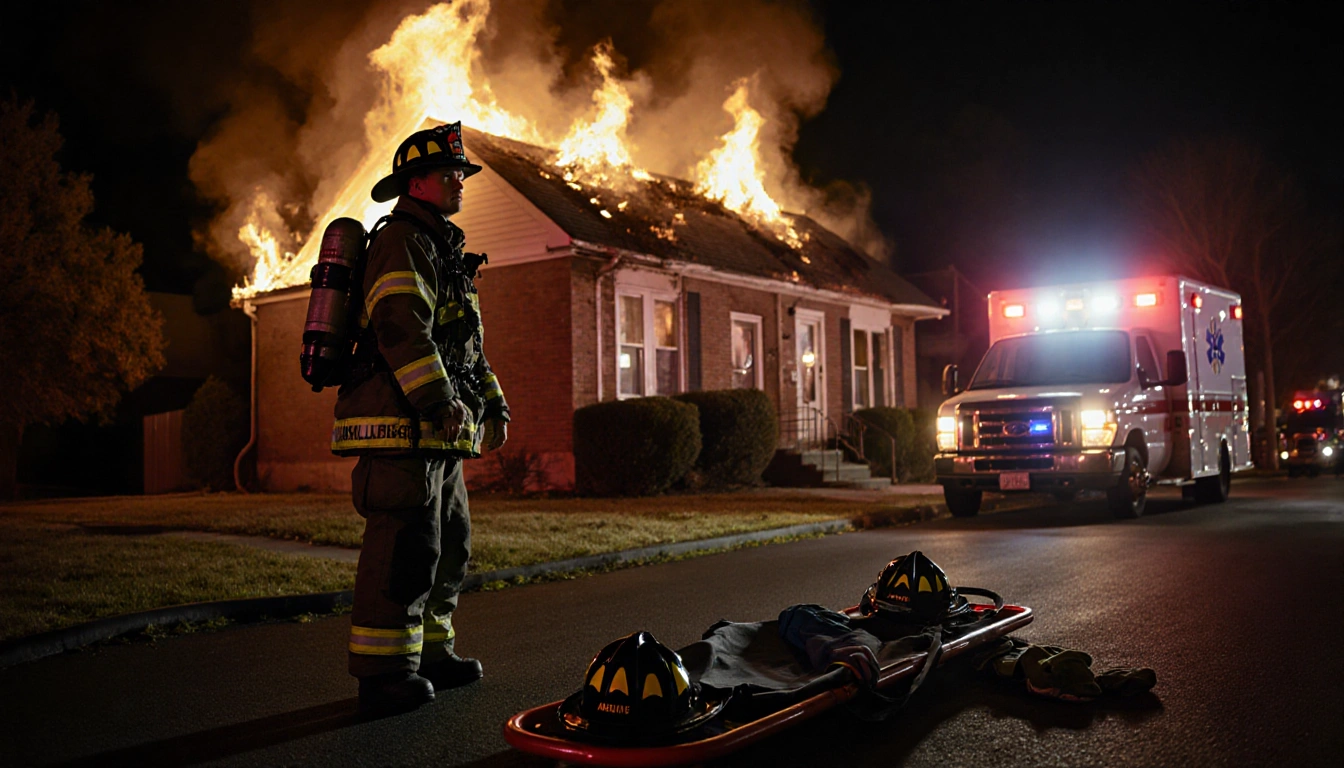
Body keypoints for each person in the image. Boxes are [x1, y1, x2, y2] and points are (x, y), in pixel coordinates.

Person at [330, 121, 509, 716]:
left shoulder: (443, 248)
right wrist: (439, 401)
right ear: (418, 183)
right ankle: (383, 674)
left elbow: (467, 347)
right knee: (404, 545)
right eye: (451, 174)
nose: (461, 182)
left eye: (461, 173)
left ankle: (430, 653)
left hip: (439, 430)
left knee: (448, 543)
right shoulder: (401, 242)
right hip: (403, 426)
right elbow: (402, 332)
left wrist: (494, 403)